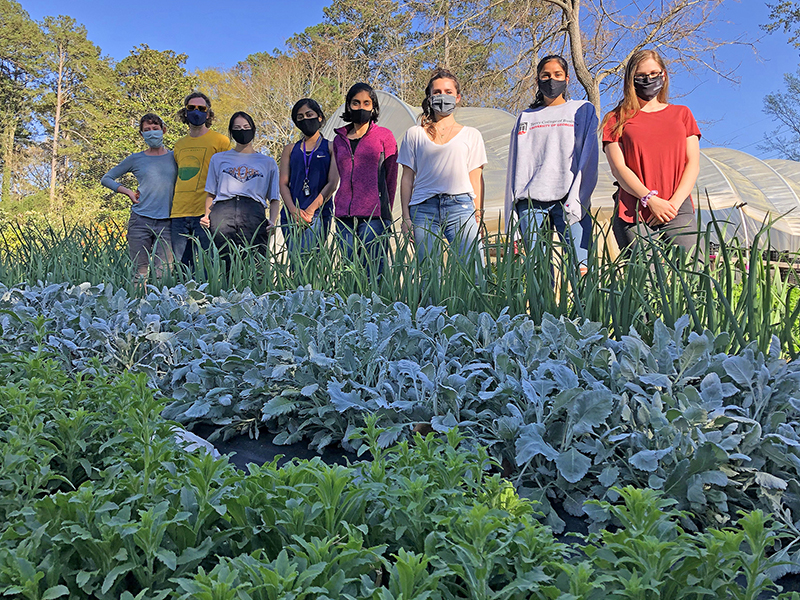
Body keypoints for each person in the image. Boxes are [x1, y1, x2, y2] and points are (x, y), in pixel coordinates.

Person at [504, 55, 598, 273]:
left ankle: (582, 308)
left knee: (581, 268)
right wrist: (512, 217)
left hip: (570, 199)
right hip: (530, 203)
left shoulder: (581, 110)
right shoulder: (525, 117)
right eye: (545, 75)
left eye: (557, 75)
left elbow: (589, 158)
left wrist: (579, 199)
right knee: (538, 272)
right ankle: (542, 309)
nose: (551, 80)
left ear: (567, 79)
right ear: (537, 80)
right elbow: (514, 166)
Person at [602, 49, 701, 253]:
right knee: (642, 279)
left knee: (691, 272)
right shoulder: (615, 118)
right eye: (641, 76)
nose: (648, 80)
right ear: (631, 79)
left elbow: (693, 163)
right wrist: (650, 200)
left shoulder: (682, 114)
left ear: (663, 75)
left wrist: (672, 204)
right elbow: (618, 168)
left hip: (677, 206)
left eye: (654, 74)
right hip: (633, 208)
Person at [398, 68, 487, 269]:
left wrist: (478, 215)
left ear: (458, 98)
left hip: (461, 207)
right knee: (430, 274)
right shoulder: (414, 134)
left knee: (473, 270)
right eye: (437, 92)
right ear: (429, 98)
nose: (442, 96)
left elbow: (476, 178)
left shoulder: (472, 135)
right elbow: (406, 179)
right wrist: (406, 218)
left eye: (448, 92)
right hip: (423, 209)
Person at [332, 83, 398, 278]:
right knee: (349, 272)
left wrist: (386, 212)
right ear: (348, 106)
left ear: (373, 107)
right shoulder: (339, 139)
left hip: (374, 216)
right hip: (344, 216)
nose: (361, 107)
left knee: (374, 272)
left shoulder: (384, 136)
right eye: (356, 103)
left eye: (366, 103)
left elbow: (391, 177)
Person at [101, 113, 177, 282]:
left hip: (168, 222)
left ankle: (160, 306)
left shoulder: (175, 157)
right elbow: (106, 179)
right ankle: (137, 307)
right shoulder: (135, 159)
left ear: (163, 130)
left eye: (155, 129)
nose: (152, 133)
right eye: (147, 130)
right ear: (141, 134)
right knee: (139, 273)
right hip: (140, 220)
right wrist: (127, 191)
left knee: (163, 274)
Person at [200, 111, 280, 264]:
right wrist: (206, 215)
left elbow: (274, 198)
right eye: (237, 128)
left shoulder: (267, 162)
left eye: (246, 126)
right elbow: (211, 193)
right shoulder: (218, 159)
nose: (242, 131)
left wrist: (272, 221)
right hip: (222, 212)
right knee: (222, 262)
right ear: (231, 132)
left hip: (254, 212)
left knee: (255, 263)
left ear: (253, 129)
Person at [171, 92, 230, 269]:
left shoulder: (221, 141)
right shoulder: (178, 144)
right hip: (178, 214)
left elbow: (225, 178)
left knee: (210, 268)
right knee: (182, 271)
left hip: (206, 215)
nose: (196, 112)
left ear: (209, 114)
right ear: (185, 112)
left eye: (201, 108)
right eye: (191, 108)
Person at [278, 98, 339, 258]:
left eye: (309, 114)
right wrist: (293, 211)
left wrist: (311, 211)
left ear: (319, 116)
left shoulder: (332, 147)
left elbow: (332, 183)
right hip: (291, 214)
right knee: (295, 263)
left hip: (318, 213)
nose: (305, 119)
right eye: (300, 117)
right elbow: (283, 184)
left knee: (311, 263)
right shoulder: (290, 149)